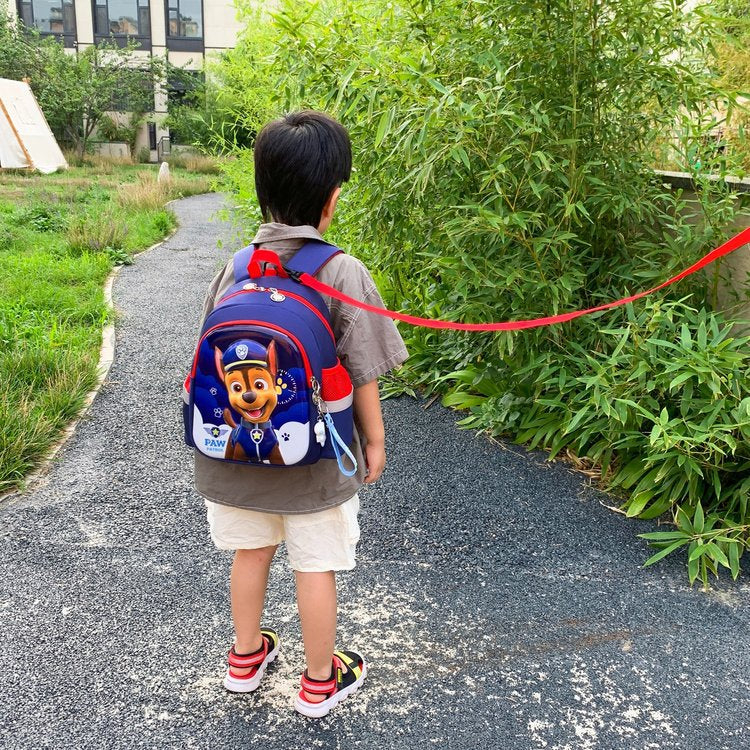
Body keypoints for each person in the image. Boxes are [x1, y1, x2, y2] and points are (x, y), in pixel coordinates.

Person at [193, 110, 408, 718]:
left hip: (235, 455)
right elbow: (362, 370)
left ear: (262, 192)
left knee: (250, 554)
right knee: (316, 566)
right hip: (317, 461)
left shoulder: (235, 269)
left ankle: (244, 658)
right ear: (332, 199)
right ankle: (319, 680)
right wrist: (375, 441)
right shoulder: (342, 272)